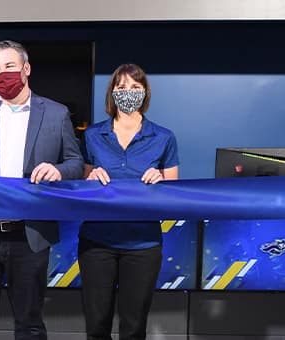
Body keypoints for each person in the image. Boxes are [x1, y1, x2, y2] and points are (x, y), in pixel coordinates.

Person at [0, 40, 83, 340]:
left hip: (31, 235)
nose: (2, 74)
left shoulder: (56, 113)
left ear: (27, 68)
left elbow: (76, 162)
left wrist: (59, 171)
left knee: (30, 324)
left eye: (9, 66)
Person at [79, 63, 178, 340]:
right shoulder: (92, 136)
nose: (128, 92)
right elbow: (82, 187)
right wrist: (89, 178)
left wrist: (160, 179)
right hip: (97, 243)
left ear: (144, 92)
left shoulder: (163, 137)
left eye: (135, 87)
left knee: (134, 329)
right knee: (96, 327)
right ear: (112, 92)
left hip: (142, 245)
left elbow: (174, 193)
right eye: (121, 87)